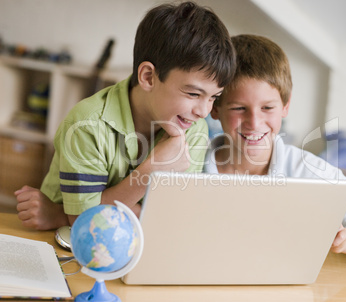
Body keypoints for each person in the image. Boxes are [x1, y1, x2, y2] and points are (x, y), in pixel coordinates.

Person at [15, 1, 236, 230]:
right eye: (193, 93)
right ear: (148, 77)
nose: (203, 111)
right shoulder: (87, 124)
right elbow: (87, 222)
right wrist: (151, 171)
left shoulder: (194, 128)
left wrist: (64, 213)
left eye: (213, 97)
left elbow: (168, 219)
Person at [204, 34, 346, 262]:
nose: (254, 122)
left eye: (267, 107)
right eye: (239, 108)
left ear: (285, 107)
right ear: (215, 108)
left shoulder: (309, 170)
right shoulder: (189, 167)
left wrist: (344, 239)